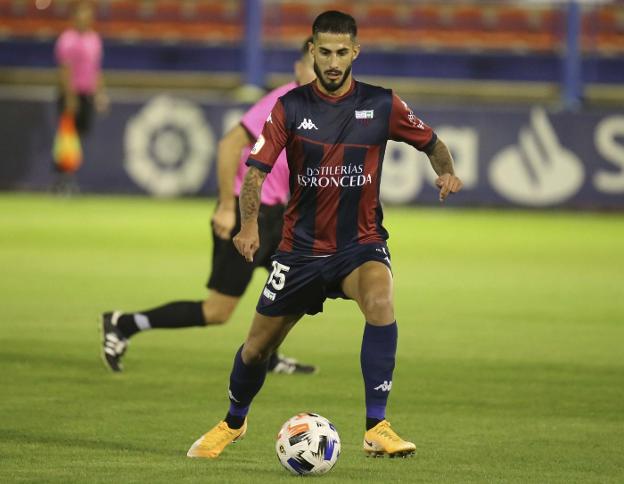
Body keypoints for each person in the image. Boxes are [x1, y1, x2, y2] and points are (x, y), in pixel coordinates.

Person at [186, 11, 463, 460]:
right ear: (312, 52)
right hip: (300, 252)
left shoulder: (383, 104)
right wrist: (250, 225)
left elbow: (431, 142)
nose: (333, 62)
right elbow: (255, 172)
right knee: (257, 349)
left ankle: (377, 426)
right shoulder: (290, 107)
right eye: (325, 52)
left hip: (360, 245)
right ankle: (233, 422)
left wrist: (447, 173)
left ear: (355, 51)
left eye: (341, 52)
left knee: (380, 301)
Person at [100, 38, 318, 375]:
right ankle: (124, 323)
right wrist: (227, 207)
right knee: (218, 311)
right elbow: (229, 145)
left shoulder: (315, 108)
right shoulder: (281, 101)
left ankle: (266, 353)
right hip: (248, 212)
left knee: (295, 285)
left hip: (277, 216)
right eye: (312, 66)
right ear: (299, 68)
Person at [53, 0, 108, 193]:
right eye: (81, 14)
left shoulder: (94, 39)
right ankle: (63, 180)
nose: (84, 18)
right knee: (68, 138)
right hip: (72, 94)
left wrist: (100, 94)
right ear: (74, 17)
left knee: (79, 137)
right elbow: (65, 70)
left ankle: (68, 177)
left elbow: (96, 70)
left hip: (87, 94)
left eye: (87, 14)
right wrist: (70, 96)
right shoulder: (67, 39)